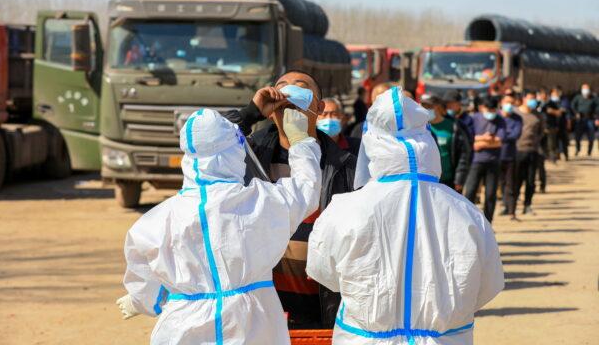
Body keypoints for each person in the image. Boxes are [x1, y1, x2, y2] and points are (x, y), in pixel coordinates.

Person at [306, 86, 504, 345]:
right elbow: (488, 285)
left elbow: (324, 274)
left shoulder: (344, 208)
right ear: (427, 142)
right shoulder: (466, 212)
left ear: (372, 143)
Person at [116, 108, 322, 344]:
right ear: (234, 152)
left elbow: (146, 279)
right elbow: (307, 190)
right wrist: (301, 143)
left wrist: (142, 300)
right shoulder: (262, 201)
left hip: (182, 326)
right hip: (252, 323)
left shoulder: (154, 221)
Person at [222, 70, 357, 329]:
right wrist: (251, 112)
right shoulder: (249, 155)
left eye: (301, 87)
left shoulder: (345, 167)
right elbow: (204, 137)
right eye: (282, 87)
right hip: (263, 308)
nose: (289, 92)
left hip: (325, 307)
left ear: (318, 108)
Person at [463, 97, 506, 223]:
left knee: (490, 195)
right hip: (476, 161)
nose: (491, 112)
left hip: (493, 162)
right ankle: (467, 220)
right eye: (489, 109)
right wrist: (485, 138)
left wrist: (480, 143)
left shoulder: (500, 120)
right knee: (470, 192)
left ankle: (488, 223)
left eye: (493, 109)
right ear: (482, 108)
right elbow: (470, 138)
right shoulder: (474, 118)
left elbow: (499, 141)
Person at [420, 93, 472, 191]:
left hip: (448, 181)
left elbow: (463, 155)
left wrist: (459, 179)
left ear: (438, 107)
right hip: (426, 181)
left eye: (429, 106)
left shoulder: (454, 127)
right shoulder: (419, 128)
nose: (426, 109)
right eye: (423, 106)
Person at [515, 91, 544, 215]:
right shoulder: (515, 114)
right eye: (530, 98)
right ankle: (511, 205)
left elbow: (541, 132)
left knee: (531, 180)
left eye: (534, 98)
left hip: (532, 151)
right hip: (517, 151)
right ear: (524, 99)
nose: (532, 101)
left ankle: (528, 205)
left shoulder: (538, 116)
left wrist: (535, 142)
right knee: (516, 180)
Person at [498, 93, 523, 219]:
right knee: (501, 184)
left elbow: (515, 135)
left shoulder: (517, 118)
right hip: (495, 156)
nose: (509, 105)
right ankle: (505, 206)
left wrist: (499, 138)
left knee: (511, 184)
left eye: (512, 103)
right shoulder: (496, 117)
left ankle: (512, 211)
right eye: (507, 102)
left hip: (510, 156)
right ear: (501, 102)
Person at [572, 83, 598, 156]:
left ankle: (589, 151)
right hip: (580, 119)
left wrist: (597, 118)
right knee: (577, 136)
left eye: (587, 88)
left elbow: (598, 108)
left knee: (591, 136)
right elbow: (572, 105)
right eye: (584, 88)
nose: (585, 90)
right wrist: (576, 113)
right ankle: (578, 149)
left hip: (590, 119)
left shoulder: (594, 98)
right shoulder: (578, 97)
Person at [551, 86, 572, 161]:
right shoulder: (550, 101)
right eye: (553, 93)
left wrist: (569, 122)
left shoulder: (564, 100)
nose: (554, 95)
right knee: (554, 141)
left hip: (562, 124)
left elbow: (566, 111)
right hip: (553, 124)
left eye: (555, 93)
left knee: (564, 140)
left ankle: (566, 155)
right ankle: (557, 155)